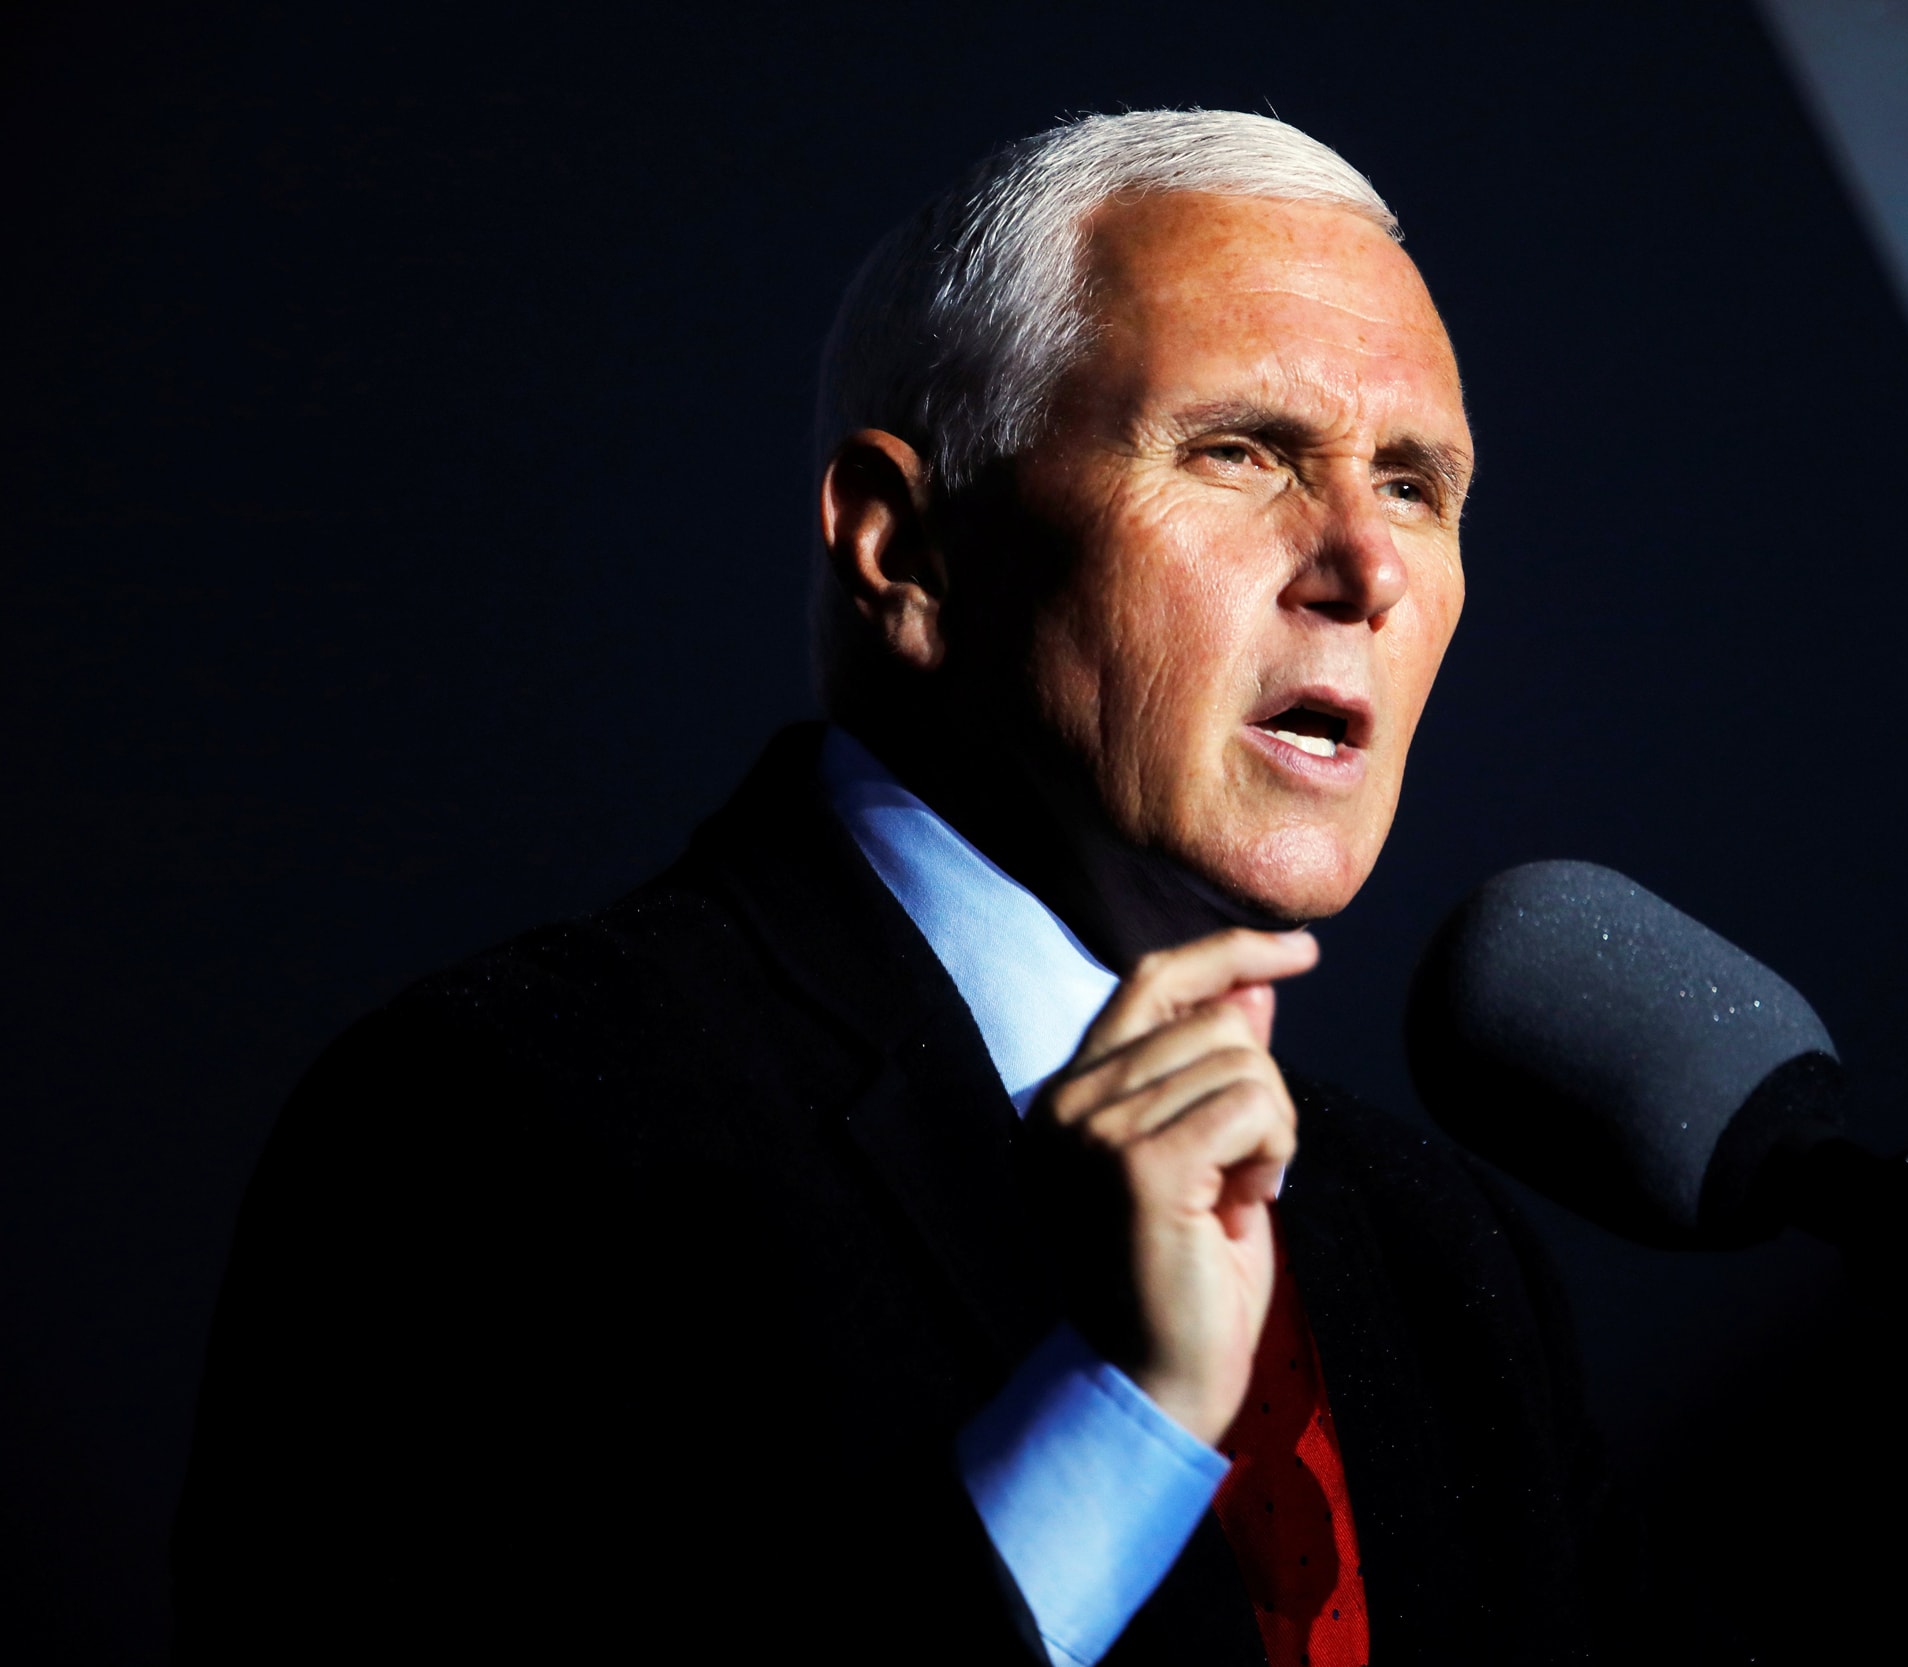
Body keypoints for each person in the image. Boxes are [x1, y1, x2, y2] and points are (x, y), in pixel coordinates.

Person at [174, 110, 1630, 1666]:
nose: (1368, 567)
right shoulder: (496, 1119)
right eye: (1241, 452)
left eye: (1412, 485)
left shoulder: (1443, 1258)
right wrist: (1115, 1428)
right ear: (904, 549)